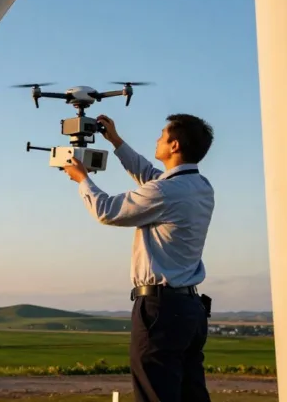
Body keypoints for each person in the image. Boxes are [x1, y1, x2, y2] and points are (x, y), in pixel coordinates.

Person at [62, 113, 215, 402]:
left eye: (162, 135)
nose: (157, 139)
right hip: (189, 310)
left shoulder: (166, 192)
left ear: (175, 145)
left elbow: (107, 211)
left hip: (161, 310)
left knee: (155, 394)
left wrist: (83, 180)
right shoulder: (200, 187)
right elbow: (150, 176)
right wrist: (117, 142)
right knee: (191, 393)